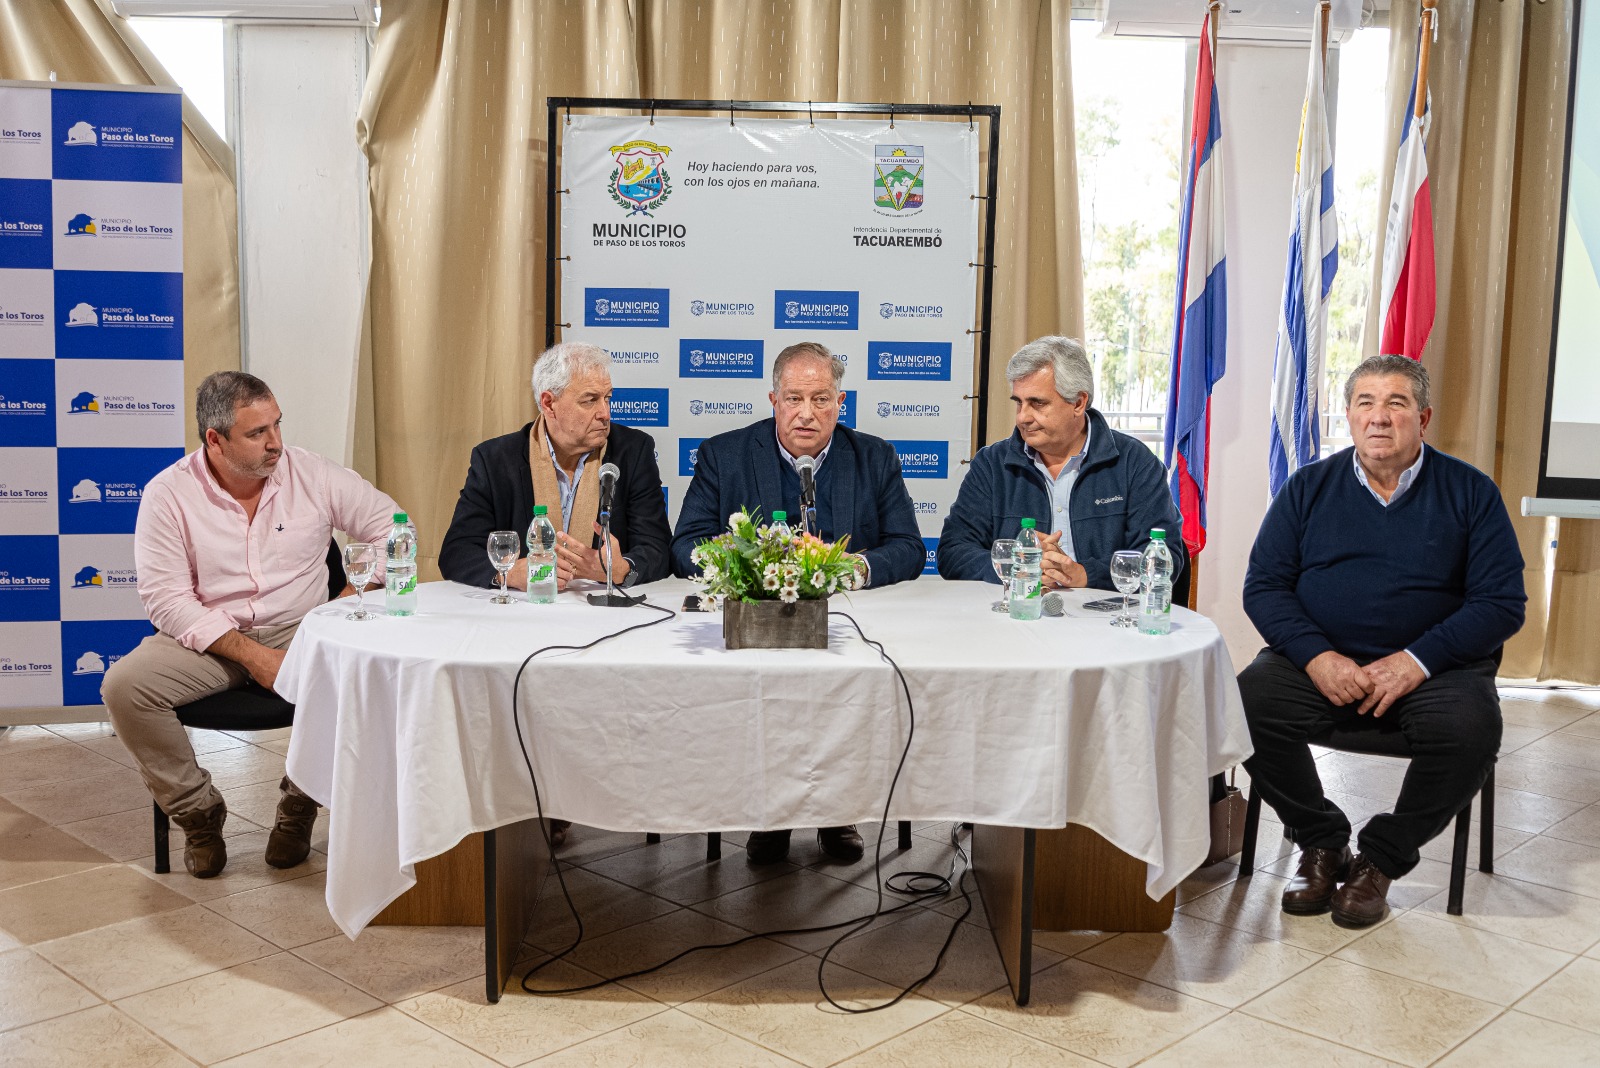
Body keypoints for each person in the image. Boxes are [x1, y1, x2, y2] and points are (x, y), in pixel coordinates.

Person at [1240, 355, 1525, 928]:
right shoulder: (1308, 488)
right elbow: (1264, 587)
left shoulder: (1471, 493)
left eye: (1395, 404)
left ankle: (1381, 859)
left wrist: (1417, 661)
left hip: (1433, 672)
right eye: (1365, 404)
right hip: (1321, 665)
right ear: (1347, 417)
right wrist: (1317, 656)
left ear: (1423, 417)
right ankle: (1321, 840)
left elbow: (1501, 603)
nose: (1379, 418)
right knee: (1241, 701)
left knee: (1470, 730)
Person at [104, 372, 401, 878]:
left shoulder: (312, 473)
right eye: (257, 433)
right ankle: (198, 813)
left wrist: (348, 598)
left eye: (277, 425)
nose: (276, 444)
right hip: (210, 637)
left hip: (303, 626)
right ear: (214, 440)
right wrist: (254, 657)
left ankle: (300, 804)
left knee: (369, 673)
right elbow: (167, 600)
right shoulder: (168, 494)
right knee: (125, 688)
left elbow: (396, 530)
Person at [671, 340, 924, 864]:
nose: (806, 413)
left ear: (840, 402)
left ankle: (838, 813)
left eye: (821, 399)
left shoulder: (873, 456)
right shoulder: (725, 454)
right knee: (769, 694)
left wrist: (854, 569)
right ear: (773, 400)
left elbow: (909, 546)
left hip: (846, 626)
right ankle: (771, 815)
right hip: (762, 621)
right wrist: (750, 564)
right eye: (793, 399)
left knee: (844, 696)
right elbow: (685, 543)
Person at [937, 335, 1184, 591]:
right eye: (1019, 403)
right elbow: (952, 552)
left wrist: (1086, 575)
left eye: (1037, 403)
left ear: (1078, 403)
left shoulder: (1135, 463)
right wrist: (1017, 566)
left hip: (1103, 622)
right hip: (1016, 619)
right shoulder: (991, 465)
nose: (1023, 417)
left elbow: (1165, 558)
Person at [440, 342, 671, 594]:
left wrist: (622, 568)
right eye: (590, 400)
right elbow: (457, 551)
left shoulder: (633, 451)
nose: (605, 413)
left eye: (608, 398)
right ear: (549, 403)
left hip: (601, 610)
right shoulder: (495, 460)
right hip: (523, 611)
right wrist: (510, 572)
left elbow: (658, 548)